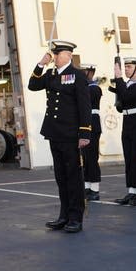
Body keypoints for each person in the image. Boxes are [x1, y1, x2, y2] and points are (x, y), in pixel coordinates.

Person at [28, 40, 91, 233]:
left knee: (73, 177)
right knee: (61, 177)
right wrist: (40, 64)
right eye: (53, 54)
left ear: (68, 55)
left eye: (57, 54)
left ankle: (76, 218)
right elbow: (33, 85)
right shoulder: (51, 74)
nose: (53, 57)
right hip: (54, 132)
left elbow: (84, 105)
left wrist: (84, 132)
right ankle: (64, 216)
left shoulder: (78, 76)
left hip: (71, 134)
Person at [109, 57, 136, 206]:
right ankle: (131, 191)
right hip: (128, 123)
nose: (126, 69)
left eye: (129, 66)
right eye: (125, 66)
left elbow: (127, 96)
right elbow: (121, 107)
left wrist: (119, 79)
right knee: (129, 158)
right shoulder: (127, 85)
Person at [80, 64, 102, 201]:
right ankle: (87, 187)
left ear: (91, 72)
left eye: (84, 72)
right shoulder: (85, 87)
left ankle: (94, 189)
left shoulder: (94, 88)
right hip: (83, 125)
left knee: (92, 157)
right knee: (86, 158)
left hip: (93, 124)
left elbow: (85, 101)